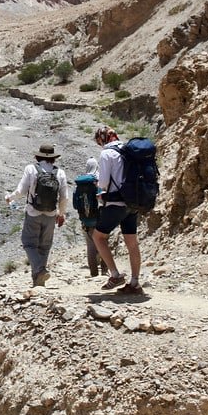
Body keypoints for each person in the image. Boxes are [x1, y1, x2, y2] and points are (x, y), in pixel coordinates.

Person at [5, 144, 68, 287]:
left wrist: (10, 198)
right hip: (51, 213)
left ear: (38, 156)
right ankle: (38, 280)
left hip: (33, 212)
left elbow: (21, 191)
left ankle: (39, 270)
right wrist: (62, 213)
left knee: (29, 243)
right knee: (45, 246)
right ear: (53, 158)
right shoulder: (60, 173)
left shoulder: (31, 169)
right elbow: (64, 197)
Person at [92, 125, 144, 294]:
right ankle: (135, 282)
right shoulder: (129, 149)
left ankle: (115, 274)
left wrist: (98, 184)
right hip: (133, 202)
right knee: (132, 242)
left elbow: (104, 182)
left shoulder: (107, 153)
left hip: (116, 203)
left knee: (98, 237)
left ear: (102, 139)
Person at [73, 157, 109, 277]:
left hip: (85, 219)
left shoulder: (80, 183)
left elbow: (74, 204)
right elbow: (103, 200)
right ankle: (105, 269)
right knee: (103, 242)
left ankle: (93, 272)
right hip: (99, 218)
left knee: (90, 245)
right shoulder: (98, 181)